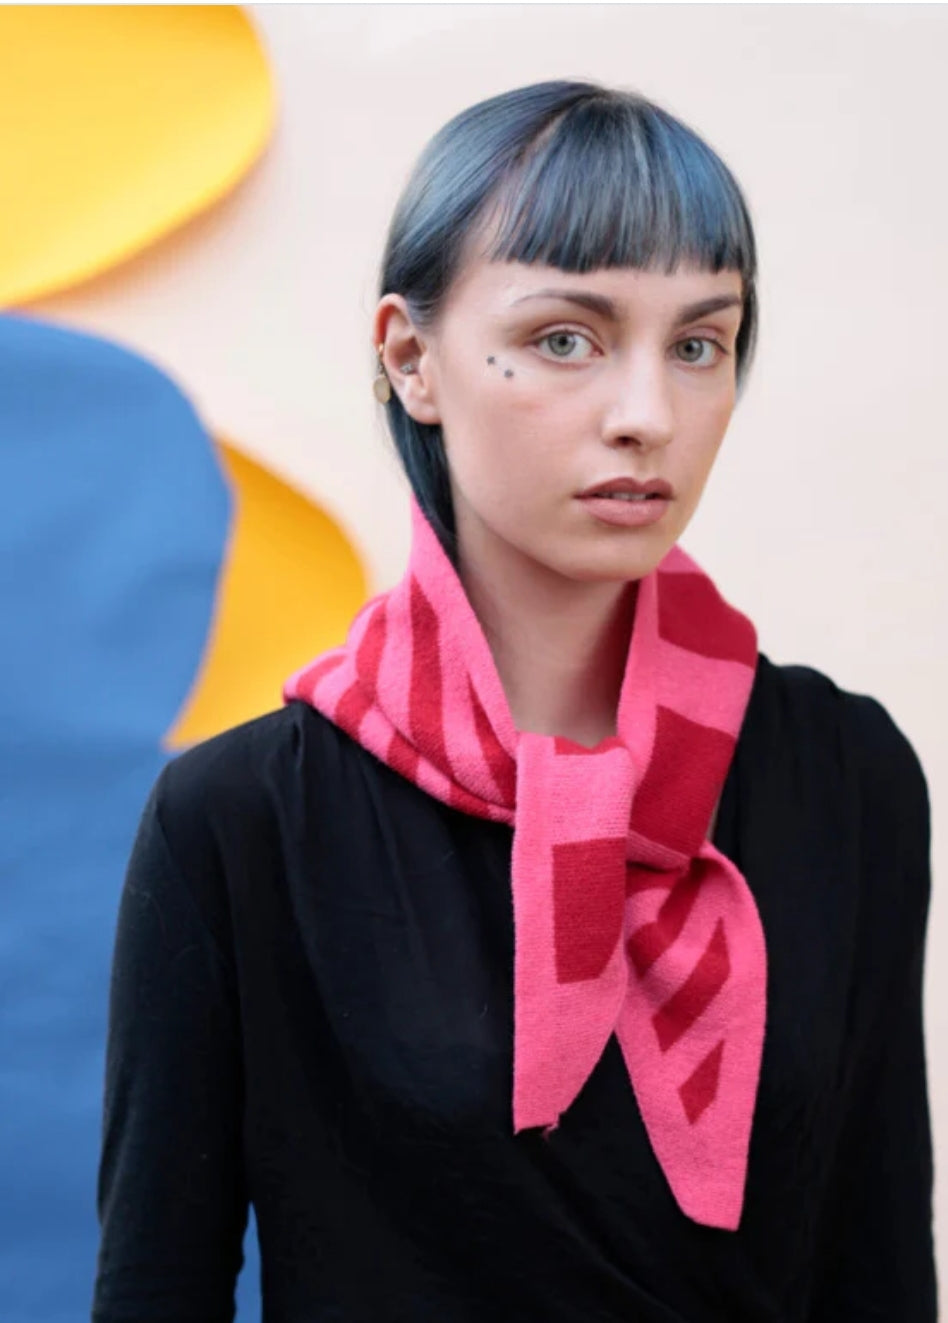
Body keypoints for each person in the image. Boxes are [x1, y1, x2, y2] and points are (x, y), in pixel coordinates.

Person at [91, 80, 937, 1322]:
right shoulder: (242, 819)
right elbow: (155, 1290)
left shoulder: (846, 775)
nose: (647, 416)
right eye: (566, 339)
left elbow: (879, 1262)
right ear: (410, 359)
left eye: (698, 344)